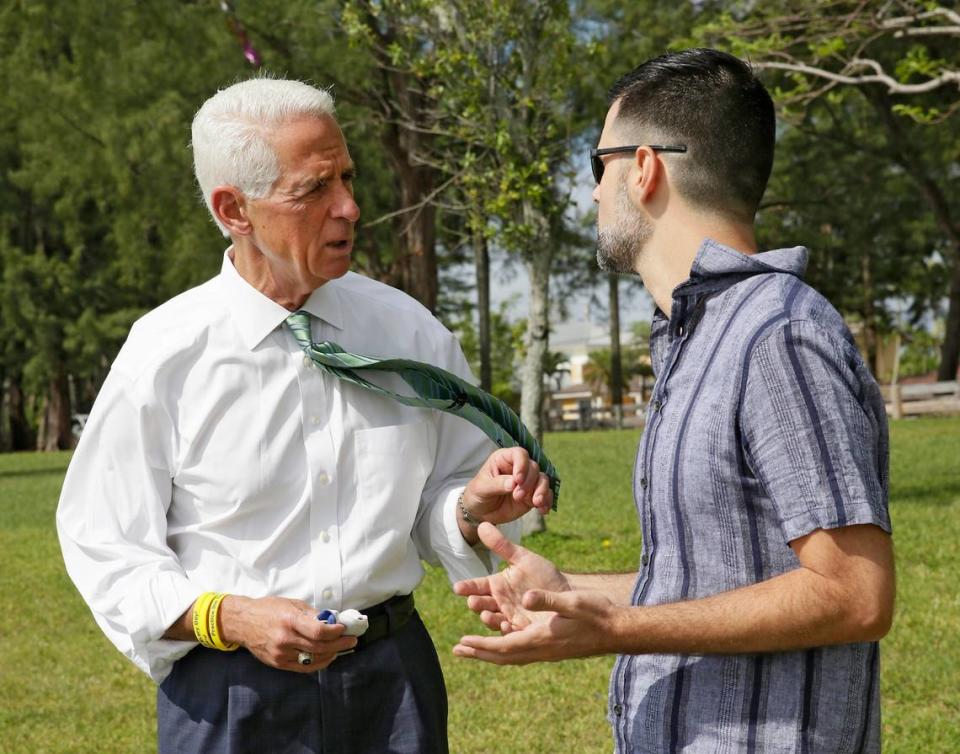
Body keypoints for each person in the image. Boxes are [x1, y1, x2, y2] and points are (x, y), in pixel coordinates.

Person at [56, 78, 553, 754]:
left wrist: (472, 503)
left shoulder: (407, 332)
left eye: (347, 177)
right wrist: (230, 618)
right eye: (313, 190)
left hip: (394, 689)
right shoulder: (166, 354)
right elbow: (105, 544)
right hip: (231, 697)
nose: (349, 207)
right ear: (234, 209)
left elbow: (446, 503)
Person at [453, 48, 894, 753]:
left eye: (599, 166)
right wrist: (578, 591)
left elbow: (853, 594)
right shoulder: (698, 338)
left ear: (647, 168)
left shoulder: (778, 334)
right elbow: (718, 579)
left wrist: (616, 631)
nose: (595, 193)